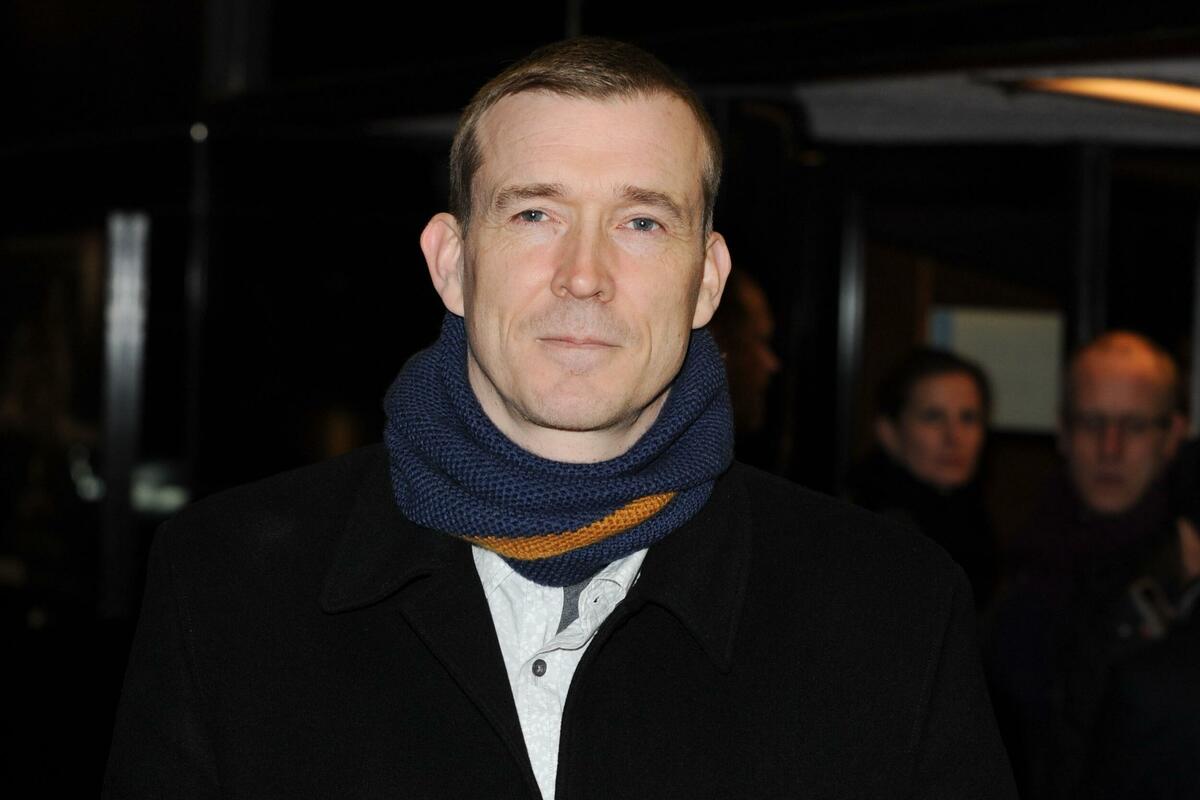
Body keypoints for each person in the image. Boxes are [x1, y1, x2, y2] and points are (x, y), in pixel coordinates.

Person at [105, 38, 1016, 798]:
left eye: (641, 223)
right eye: (536, 213)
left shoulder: (889, 610)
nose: (584, 275)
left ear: (708, 280)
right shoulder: (229, 585)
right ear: (452, 262)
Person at [987, 330, 1187, 800]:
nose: (1110, 448)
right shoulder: (1016, 565)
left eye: (1134, 425)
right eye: (1092, 422)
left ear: (1172, 436)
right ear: (1062, 431)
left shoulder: (1186, 575)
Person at [847, 348, 997, 610]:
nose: (954, 437)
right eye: (933, 417)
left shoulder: (973, 518)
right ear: (889, 432)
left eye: (968, 418)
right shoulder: (874, 530)